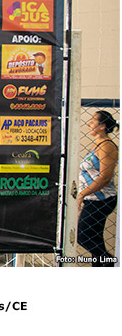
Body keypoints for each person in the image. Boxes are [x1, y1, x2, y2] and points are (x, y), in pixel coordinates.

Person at [77, 110, 119, 266]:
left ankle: (108, 263)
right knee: (94, 238)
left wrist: (82, 194)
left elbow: (104, 177)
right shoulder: (98, 144)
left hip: (101, 199)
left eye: (93, 120)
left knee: (83, 235)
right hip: (93, 198)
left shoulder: (106, 146)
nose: (89, 124)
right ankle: (101, 266)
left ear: (102, 126)